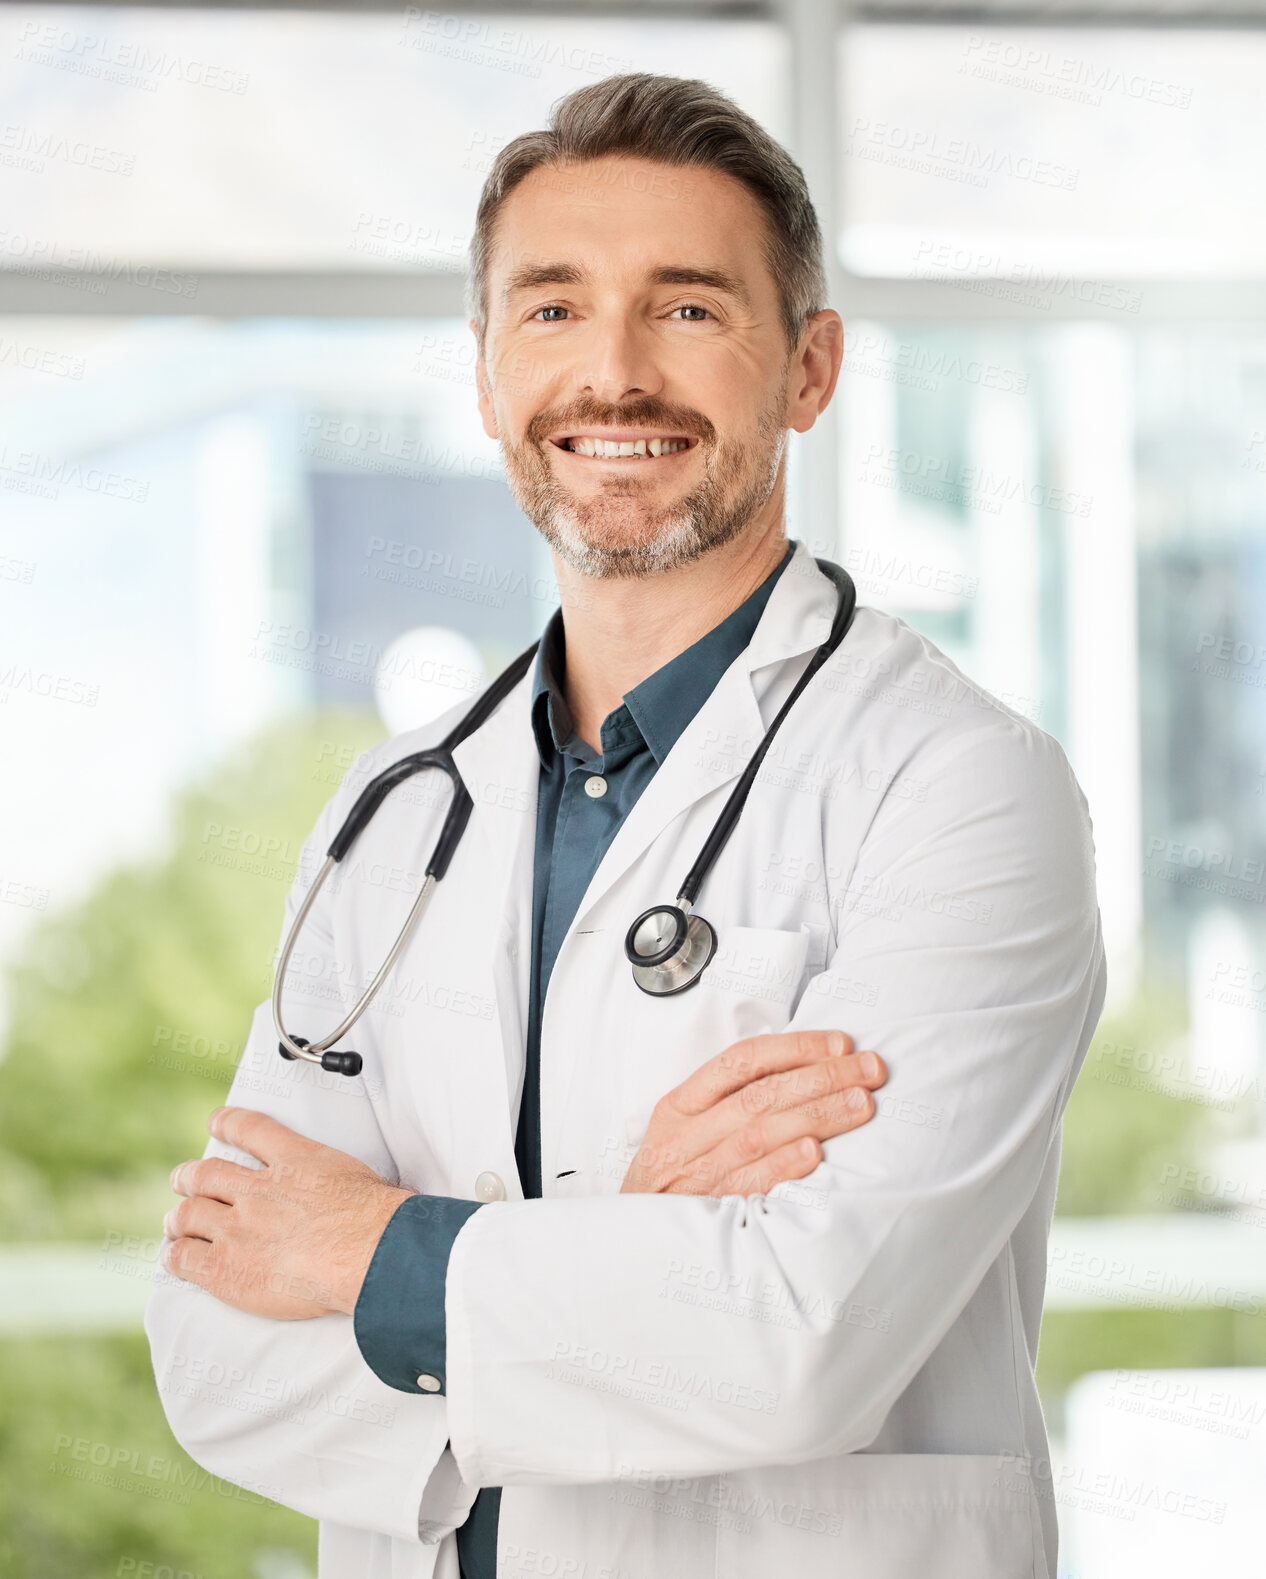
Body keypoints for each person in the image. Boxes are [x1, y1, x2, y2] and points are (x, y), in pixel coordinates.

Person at [146, 72, 1106, 1579]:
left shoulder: (961, 786)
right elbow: (215, 1346)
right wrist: (632, 1226)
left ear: (806, 366)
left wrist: (368, 1254)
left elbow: (802, 1343)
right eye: (549, 309)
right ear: (481, 370)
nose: (611, 375)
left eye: (686, 310)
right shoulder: (394, 812)